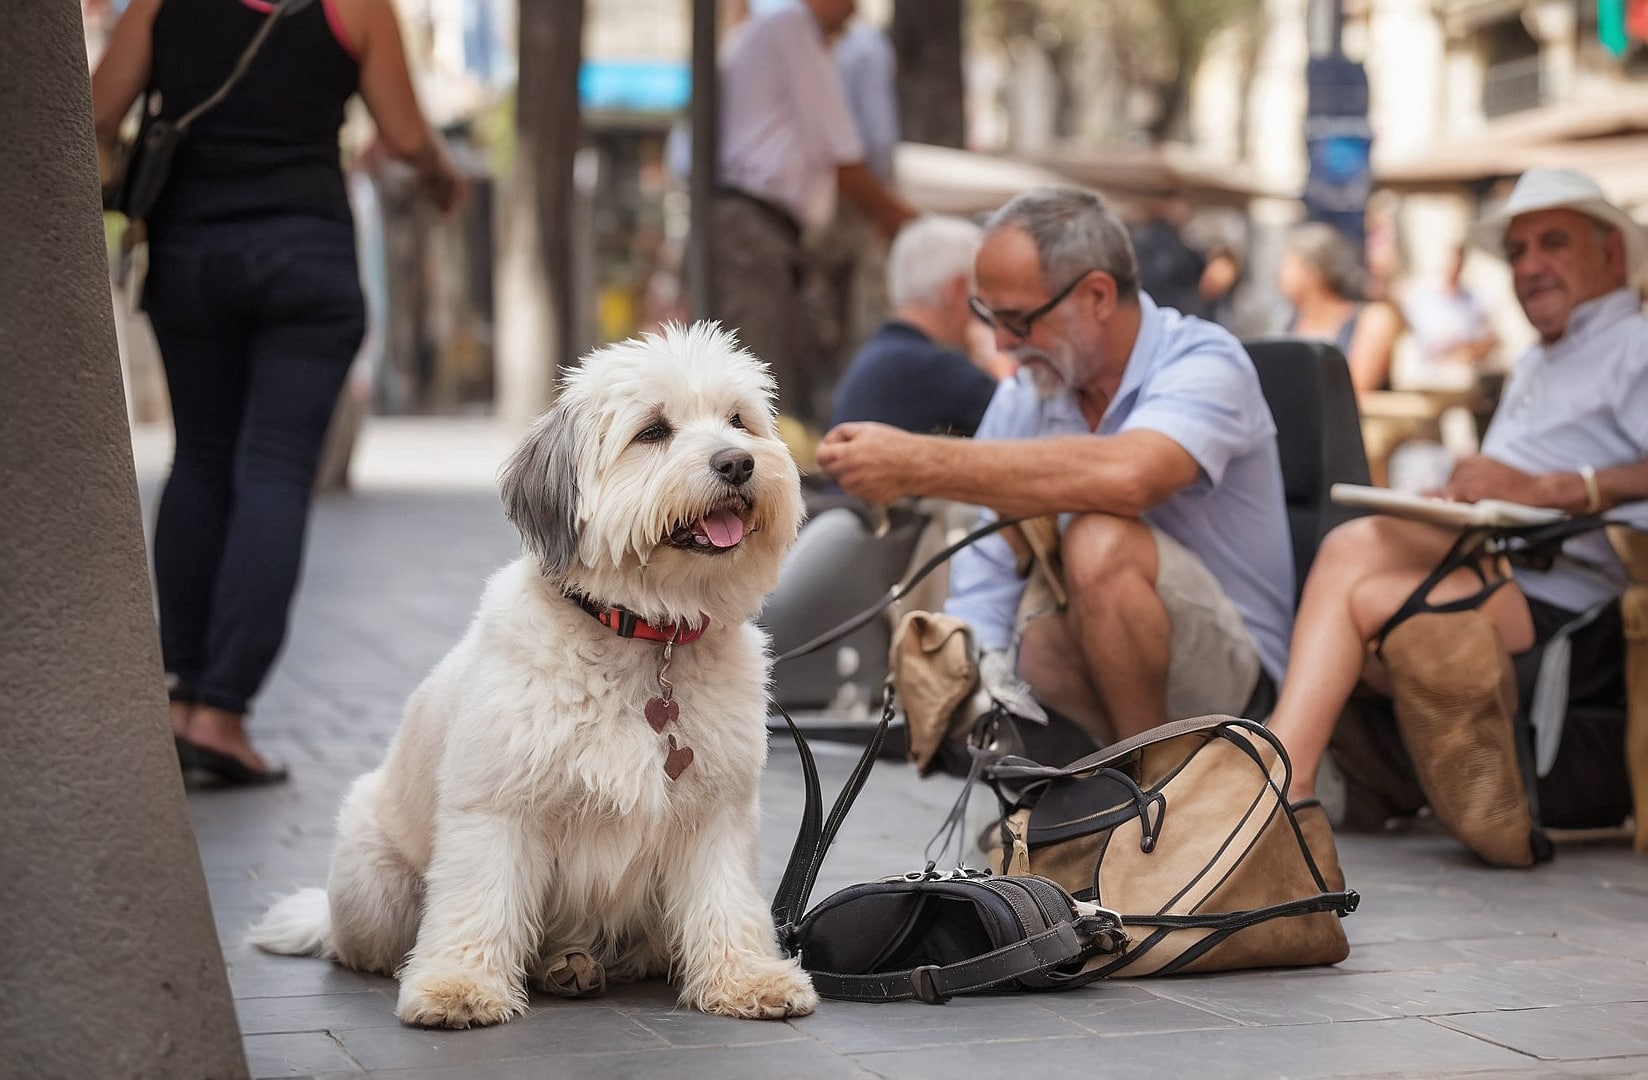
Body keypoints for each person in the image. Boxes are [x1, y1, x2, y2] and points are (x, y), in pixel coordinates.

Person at [92, 0, 465, 783]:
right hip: (306, 264)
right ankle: (222, 715)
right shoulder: (353, 6)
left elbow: (95, 112)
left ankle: (177, 697)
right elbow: (402, 136)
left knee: (199, 460)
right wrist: (440, 171)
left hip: (192, 259)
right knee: (274, 470)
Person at [817, 186, 1295, 745]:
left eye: (1019, 321)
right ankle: (1086, 781)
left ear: (1096, 295)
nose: (1000, 342)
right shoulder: (1032, 391)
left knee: (1098, 539)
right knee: (1028, 620)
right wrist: (974, 688)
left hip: (1237, 686)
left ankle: (1154, 791)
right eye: (986, 316)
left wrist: (920, 462)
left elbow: (1130, 476)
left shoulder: (1204, 359)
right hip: (1097, 658)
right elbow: (988, 563)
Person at [1266, 167, 1648, 830]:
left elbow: (1546, 488)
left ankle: (1278, 780)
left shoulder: (1635, 344)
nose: (1529, 267)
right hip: (1498, 561)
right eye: (1517, 252)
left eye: (1552, 243)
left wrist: (1562, 488)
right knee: (1356, 585)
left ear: (1611, 251)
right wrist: (1461, 491)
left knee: (1350, 543)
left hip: (1568, 595)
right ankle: (1300, 779)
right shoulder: (1536, 361)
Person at [714, 0, 916, 428]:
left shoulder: (773, 30)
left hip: (767, 227)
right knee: (757, 384)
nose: (853, 13)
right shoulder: (791, 26)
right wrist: (899, 217)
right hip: (754, 225)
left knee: (774, 377)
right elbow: (843, 152)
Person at [827, 215, 1001, 437]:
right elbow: (1020, 417)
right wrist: (995, 359)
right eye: (979, 290)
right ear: (957, 289)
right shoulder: (935, 367)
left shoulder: (880, 352)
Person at [1279, 221, 1403, 394]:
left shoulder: (1373, 320)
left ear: (1312, 273)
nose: (1280, 275)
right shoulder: (1290, 323)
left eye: (1288, 265)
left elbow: (1354, 390)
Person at [1398, 243, 1498, 389]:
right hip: (1435, 370)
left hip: (1468, 366)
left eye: (1459, 260)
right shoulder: (1422, 295)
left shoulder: (1472, 297)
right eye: (1452, 260)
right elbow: (1431, 344)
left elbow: (1486, 339)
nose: (1455, 265)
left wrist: (1467, 350)